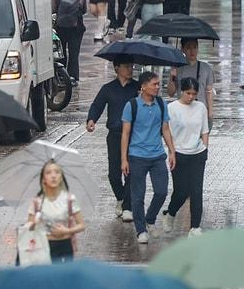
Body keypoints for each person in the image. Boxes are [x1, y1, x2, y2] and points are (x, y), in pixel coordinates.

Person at [120, 71, 176, 246]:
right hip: (137, 156)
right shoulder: (132, 106)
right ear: (143, 86)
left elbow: (165, 129)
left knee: (161, 191)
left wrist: (172, 151)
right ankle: (141, 230)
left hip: (157, 155)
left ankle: (149, 218)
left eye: (158, 84)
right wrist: (124, 159)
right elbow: (125, 134)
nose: (158, 87)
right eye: (154, 84)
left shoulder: (161, 103)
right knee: (138, 196)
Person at [86, 60, 141, 222]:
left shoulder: (137, 88)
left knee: (131, 172)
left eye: (131, 66)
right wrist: (91, 119)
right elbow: (97, 105)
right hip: (115, 135)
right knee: (114, 175)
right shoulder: (108, 89)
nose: (130, 68)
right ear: (117, 68)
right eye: (126, 66)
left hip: (134, 136)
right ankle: (122, 198)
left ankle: (127, 207)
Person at [162, 77, 210, 236]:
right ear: (182, 91)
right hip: (178, 154)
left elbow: (204, 130)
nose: (191, 97)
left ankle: (195, 227)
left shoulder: (201, 107)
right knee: (181, 191)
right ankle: (171, 212)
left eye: (194, 94)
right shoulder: (171, 108)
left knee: (196, 190)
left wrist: (205, 149)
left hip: (197, 153)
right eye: (188, 93)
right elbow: (166, 131)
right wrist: (171, 151)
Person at [25, 160, 85, 261]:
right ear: (43, 179)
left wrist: (67, 230)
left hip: (65, 246)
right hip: (44, 246)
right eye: (48, 173)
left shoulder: (69, 199)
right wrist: (34, 223)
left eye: (57, 172)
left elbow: (82, 225)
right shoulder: (37, 202)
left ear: (61, 177)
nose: (53, 176)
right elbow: (28, 228)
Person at [168, 36, 215, 113]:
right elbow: (170, 93)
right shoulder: (177, 68)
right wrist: (172, 77)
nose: (192, 51)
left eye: (194, 47)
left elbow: (209, 92)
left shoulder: (206, 68)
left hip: (200, 112)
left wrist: (210, 112)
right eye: (188, 48)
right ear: (182, 49)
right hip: (182, 112)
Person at [53, 0, 88, 87]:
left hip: (61, 26)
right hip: (76, 27)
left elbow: (54, 8)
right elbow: (84, 10)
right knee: (74, 53)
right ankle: (73, 76)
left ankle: (61, 75)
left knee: (61, 52)